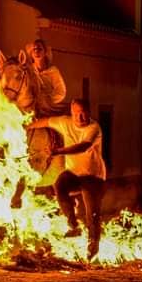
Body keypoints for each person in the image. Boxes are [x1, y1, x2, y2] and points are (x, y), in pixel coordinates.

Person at [27, 98, 106, 260]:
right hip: (74, 174)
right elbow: (45, 122)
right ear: (72, 113)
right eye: (77, 114)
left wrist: (58, 151)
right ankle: (73, 225)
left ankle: (93, 245)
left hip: (93, 177)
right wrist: (26, 125)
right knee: (60, 185)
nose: (80, 117)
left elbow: (82, 147)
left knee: (93, 214)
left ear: (89, 113)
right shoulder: (65, 122)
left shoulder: (94, 128)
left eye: (83, 113)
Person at [26, 39, 67, 116]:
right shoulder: (28, 70)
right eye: (34, 49)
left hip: (48, 110)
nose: (36, 51)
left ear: (45, 52)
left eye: (39, 49)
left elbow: (61, 92)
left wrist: (47, 101)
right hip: (31, 109)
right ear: (31, 54)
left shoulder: (53, 71)